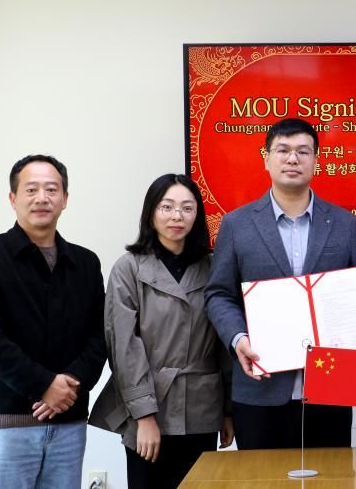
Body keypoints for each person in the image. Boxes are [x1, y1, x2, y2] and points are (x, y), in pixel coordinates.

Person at [204, 118, 356, 449]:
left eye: (303, 151)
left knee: (331, 475)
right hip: (260, 386)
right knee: (262, 476)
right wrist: (238, 338)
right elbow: (219, 294)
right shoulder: (236, 224)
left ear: (316, 160)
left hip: (331, 387)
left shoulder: (344, 224)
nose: (293, 159)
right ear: (266, 158)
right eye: (283, 150)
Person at [89, 174, 233, 488]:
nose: (177, 216)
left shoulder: (212, 268)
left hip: (201, 408)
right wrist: (144, 416)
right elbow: (124, 347)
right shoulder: (129, 268)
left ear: (197, 216)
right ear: (151, 213)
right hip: (148, 404)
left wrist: (227, 411)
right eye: (166, 207)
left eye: (187, 208)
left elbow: (224, 345)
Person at [0, 154, 106, 488]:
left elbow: (100, 335)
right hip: (9, 423)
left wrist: (71, 383)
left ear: (65, 199)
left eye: (51, 189)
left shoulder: (86, 263)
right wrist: (44, 385)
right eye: (31, 190)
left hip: (69, 422)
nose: (42, 198)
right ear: (13, 198)